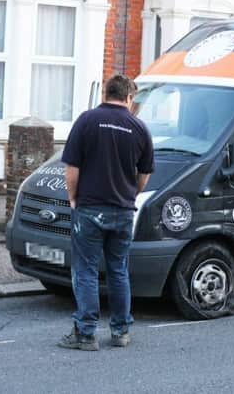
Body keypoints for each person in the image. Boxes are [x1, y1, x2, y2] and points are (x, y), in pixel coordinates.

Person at [59, 74, 154, 350]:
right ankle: (121, 331)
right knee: (118, 271)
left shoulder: (87, 121)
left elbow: (72, 169)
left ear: (105, 93)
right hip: (123, 211)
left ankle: (86, 334)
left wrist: (73, 198)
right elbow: (145, 174)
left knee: (86, 271)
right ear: (128, 97)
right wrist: (130, 194)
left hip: (90, 208)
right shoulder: (139, 128)